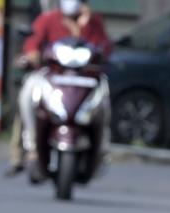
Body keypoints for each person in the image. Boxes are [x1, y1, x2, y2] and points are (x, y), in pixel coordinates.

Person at [15, 0, 112, 179]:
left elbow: (104, 48)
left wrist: (84, 25)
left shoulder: (93, 22)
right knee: (28, 92)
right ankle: (31, 147)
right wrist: (32, 55)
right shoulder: (49, 19)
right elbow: (32, 43)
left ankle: (102, 152)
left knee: (104, 101)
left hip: (83, 79)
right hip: (52, 77)